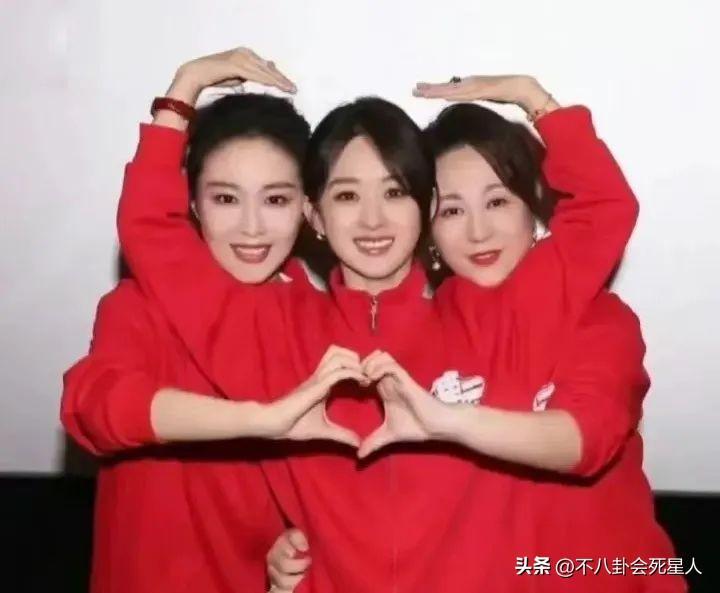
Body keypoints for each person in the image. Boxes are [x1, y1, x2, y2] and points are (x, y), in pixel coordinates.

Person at [117, 48, 680, 592]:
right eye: (346, 196)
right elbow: (155, 238)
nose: (373, 220)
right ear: (314, 214)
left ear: (425, 207)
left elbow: (603, 213)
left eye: (394, 192)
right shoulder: (269, 326)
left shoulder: (489, 313)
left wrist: (535, 100)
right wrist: (181, 94)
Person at [60, 63, 363, 592]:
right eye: (225, 198)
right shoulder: (142, 305)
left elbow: (334, 497)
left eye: (275, 199)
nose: (251, 227)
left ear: (306, 207)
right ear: (193, 204)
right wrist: (260, 420)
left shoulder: (322, 326)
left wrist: (297, 548)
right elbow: (92, 406)